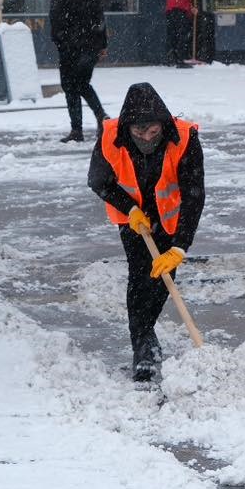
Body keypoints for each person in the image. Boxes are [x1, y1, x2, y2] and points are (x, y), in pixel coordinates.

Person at [87, 82, 205, 383]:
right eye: (140, 133)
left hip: (169, 217)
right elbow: (99, 182)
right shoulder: (111, 136)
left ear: (163, 125)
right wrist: (130, 209)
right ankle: (143, 347)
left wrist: (180, 246)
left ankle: (146, 328)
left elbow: (193, 194)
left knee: (163, 279)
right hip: (134, 218)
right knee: (140, 276)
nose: (147, 138)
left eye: (153, 132)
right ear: (129, 128)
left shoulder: (184, 137)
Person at [50, 0, 108, 143]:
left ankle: (77, 130)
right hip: (90, 47)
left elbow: (56, 19)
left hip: (70, 48)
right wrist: (102, 44)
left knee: (70, 87)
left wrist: (59, 40)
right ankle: (101, 117)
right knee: (82, 84)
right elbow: (100, 19)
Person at [165, 0, 199, 66]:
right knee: (180, 36)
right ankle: (178, 59)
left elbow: (185, 1)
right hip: (176, 11)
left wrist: (191, 9)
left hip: (179, 11)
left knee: (178, 36)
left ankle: (176, 58)